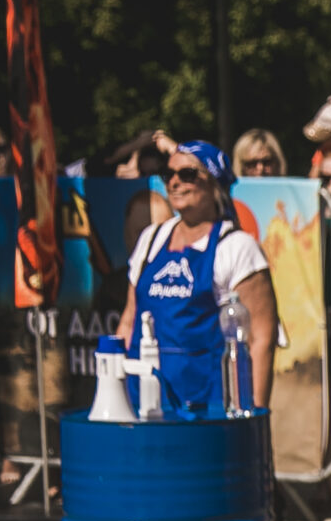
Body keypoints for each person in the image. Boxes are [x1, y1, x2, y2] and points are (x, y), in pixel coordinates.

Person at [115, 142, 279, 413]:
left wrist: (255, 417)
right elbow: (128, 320)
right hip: (142, 402)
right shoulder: (151, 238)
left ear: (215, 182)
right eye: (168, 174)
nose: (174, 182)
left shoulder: (236, 246)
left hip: (208, 409)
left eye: (187, 174)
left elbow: (261, 340)